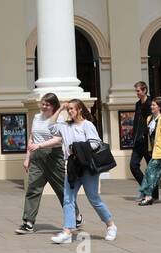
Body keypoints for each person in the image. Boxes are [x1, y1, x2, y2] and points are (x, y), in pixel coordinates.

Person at [30, 99, 116, 244]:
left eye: (72, 109)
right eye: (68, 109)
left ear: (80, 110)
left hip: (87, 166)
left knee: (93, 198)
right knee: (68, 199)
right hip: (72, 165)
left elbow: (95, 143)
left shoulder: (87, 125)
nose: (69, 111)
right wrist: (59, 109)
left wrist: (76, 148)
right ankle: (67, 231)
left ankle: (111, 225)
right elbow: (50, 127)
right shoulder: (65, 126)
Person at [15, 93, 80, 234]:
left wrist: (40, 145)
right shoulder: (37, 117)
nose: (43, 106)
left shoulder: (60, 119)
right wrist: (27, 158)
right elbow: (32, 137)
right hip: (37, 157)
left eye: (47, 104)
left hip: (54, 156)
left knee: (62, 189)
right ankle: (28, 222)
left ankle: (76, 216)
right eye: (42, 103)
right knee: (33, 188)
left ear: (53, 106)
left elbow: (58, 139)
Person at [128, 81, 154, 185]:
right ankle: (145, 186)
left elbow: (152, 121)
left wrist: (146, 134)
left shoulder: (151, 103)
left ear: (144, 90)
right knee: (133, 165)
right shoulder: (138, 104)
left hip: (147, 141)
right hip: (138, 141)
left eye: (138, 91)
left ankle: (153, 194)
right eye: (136, 91)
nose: (137, 93)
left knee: (151, 168)